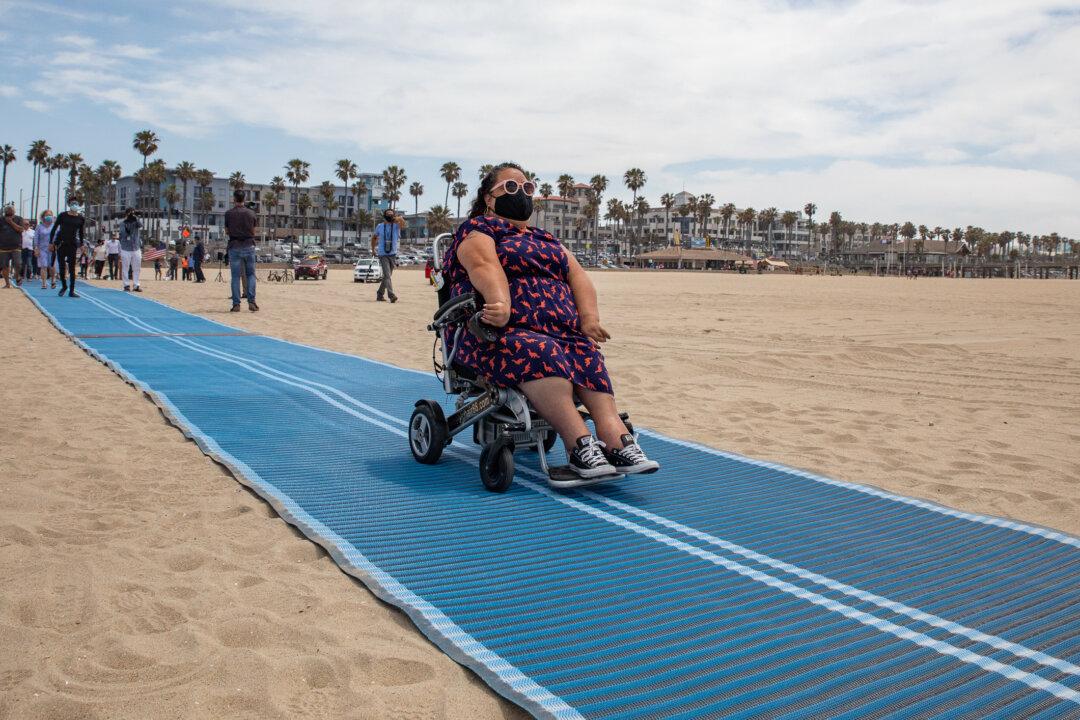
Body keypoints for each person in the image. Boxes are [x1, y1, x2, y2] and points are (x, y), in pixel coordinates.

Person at [441, 163, 659, 483]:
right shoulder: (479, 230)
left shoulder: (545, 238)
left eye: (528, 188)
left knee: (586, 353)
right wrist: (500, 302)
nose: (522, 194)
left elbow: (578, 277)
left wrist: (588, 318)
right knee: (541, 350)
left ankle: (616, 440)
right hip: (497, 333)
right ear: (489, 198)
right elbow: (484, 265)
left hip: (560, 331)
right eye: (511, 188)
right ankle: (580, 446)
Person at [224, 189, 258, 312]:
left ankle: (236, 304)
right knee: (250, 275)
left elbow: (227, 231)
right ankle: (252, 301)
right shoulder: (251, 213)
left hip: (234, 245)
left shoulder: (229, 214)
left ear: (234, 199)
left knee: (235, 276)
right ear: (244, 199)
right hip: (249, 245)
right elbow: (254, 231)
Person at [49, 199, 85, 297]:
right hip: (61, 243)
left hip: (72, 244)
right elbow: (54, 229)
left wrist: (81, 244)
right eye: (73, 203)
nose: (75, 205)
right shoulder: (62, 215)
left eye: (77, 203)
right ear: (69, 205)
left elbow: (81, 233)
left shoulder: (81, 218)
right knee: (61, 266)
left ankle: (72, 291)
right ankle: (64, 286)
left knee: (72, 268)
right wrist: (51, 243)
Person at [371, 209, 400, 303]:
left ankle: (380, 294)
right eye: (388, 214)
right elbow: (374, 238)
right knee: (387, 275)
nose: (389, 215)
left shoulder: (396, 225)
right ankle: (391, 295)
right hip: (382, 254)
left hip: (392, 254)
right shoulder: (380, 226)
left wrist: (396, 218)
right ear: (384, 215)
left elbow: (404, 224)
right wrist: (373, 249)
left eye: (391, 214)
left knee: (387, 276)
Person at [118, 209, 144, 291]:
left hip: (136, 248)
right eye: (130, 213)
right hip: (126, 248)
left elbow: (141, 225)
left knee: (137, 268)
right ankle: (126, 285)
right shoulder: (123, 223)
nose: (132, 215)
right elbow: (122, 234)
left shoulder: (136, 222)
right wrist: (128, 224)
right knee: (125, 268)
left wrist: (136, 218)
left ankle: (136, 285)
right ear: (126, 214)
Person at [0, 206, 25, 288]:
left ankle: (17, 276)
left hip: (16, 247)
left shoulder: (19, 219)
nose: (9, 215)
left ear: (14, 212)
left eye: (11, 213)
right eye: (7, 213)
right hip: (3, 248)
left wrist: (11, 222)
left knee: (18, 264)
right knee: (4, 266)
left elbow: (21, 229)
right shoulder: (1, 220)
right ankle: (7, 283)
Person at [34, 210, 56, 289]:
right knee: (44, 266)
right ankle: (44, 283)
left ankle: (53, 280)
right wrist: (36, 248)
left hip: (52, 249)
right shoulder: (39, 226)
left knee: (51, 266)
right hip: (42, 249)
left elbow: (58, 236)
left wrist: (55, 245)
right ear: (43, 217)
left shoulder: (55, 226)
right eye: (47, 215)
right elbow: (36, 238)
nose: (49, 216)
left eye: (50, 215)